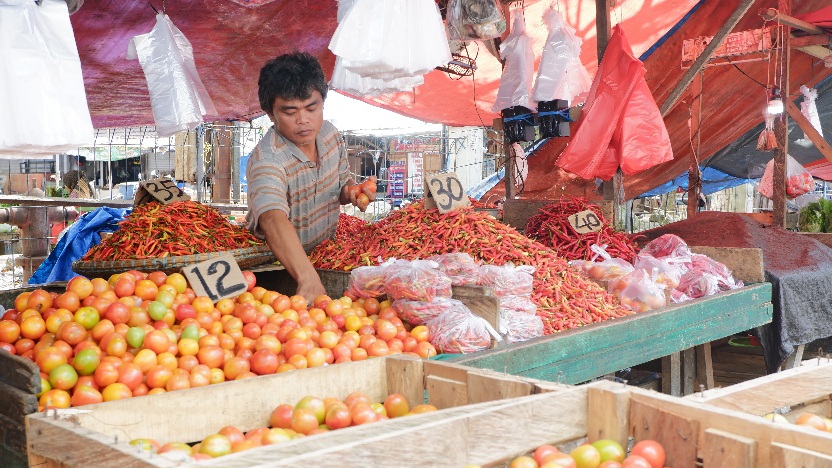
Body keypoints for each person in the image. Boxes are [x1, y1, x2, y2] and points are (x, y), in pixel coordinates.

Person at [246, 52, 374, 300]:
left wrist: (351, 192)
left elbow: (341, 184)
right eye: (289, 111)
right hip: (278, 273)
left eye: (311, 107)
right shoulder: (268, 159)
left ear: (323, 103)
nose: (303, 120)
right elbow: (272, 219)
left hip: (322, 260)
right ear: (270, 114)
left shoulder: (329, 135)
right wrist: (307, 278)